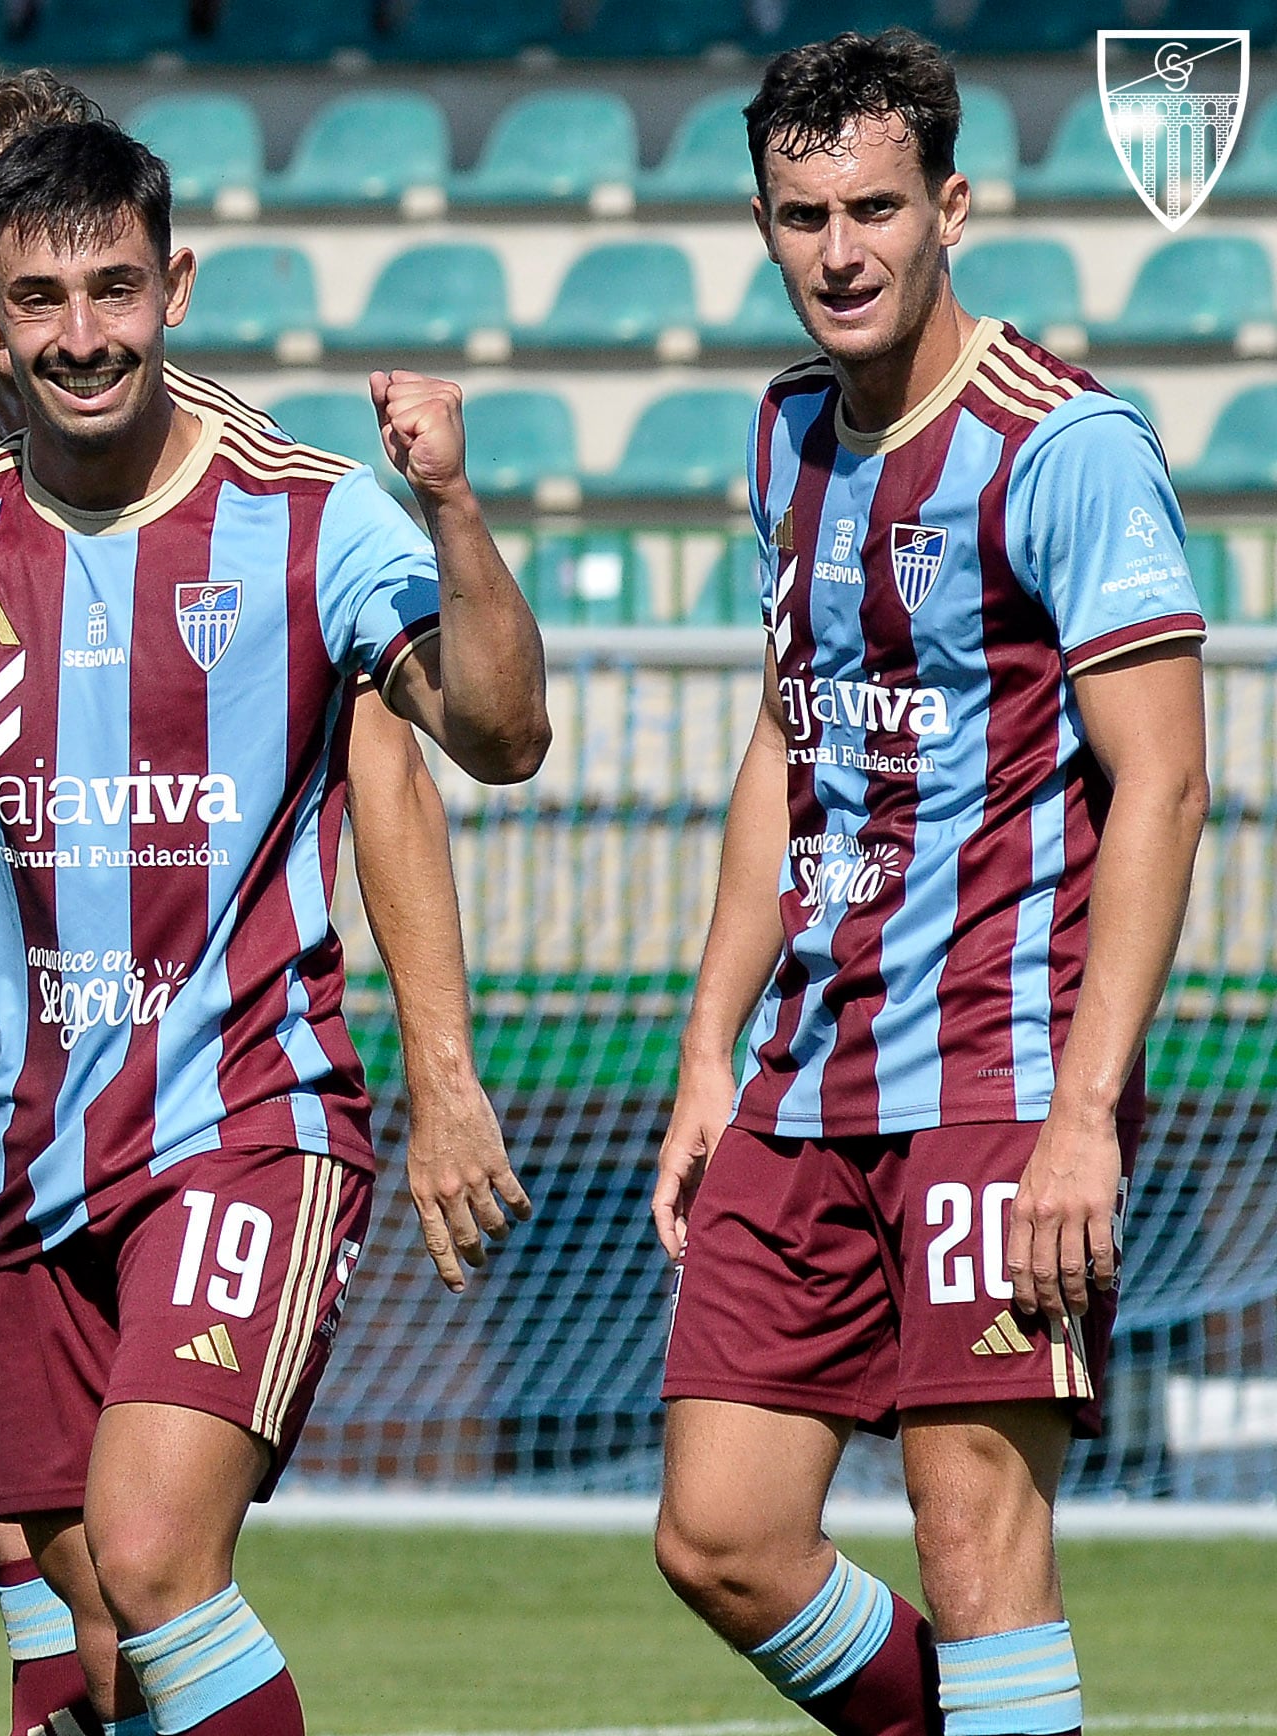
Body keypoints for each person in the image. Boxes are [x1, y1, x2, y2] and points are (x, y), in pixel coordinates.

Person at [0, 119, 549, 1736]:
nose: (77, 330)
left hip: (247, 1113)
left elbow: (495, 737)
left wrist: (452, 509)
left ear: (172, 284)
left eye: (113, 289)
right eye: (34, 293)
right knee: (89, 1621)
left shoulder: (303, 510)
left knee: (157, 1556)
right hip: (20, 1142)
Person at [651, 32, 1209, 1736]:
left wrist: (1083, 1113)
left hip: (1001, 1071)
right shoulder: (784, 439)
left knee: (974, 1543)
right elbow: (784, 740)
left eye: (876, 206)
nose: (842, 248)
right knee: (721, 1538)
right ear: (764, 226)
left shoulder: (1068, 446)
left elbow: (1168, 783)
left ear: (949, 206)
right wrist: (705, 1051)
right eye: (803, 214)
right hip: (812, 1075)